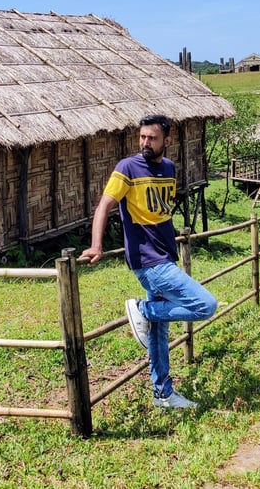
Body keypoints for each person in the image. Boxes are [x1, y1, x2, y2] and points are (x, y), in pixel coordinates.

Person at [80, 114, 217, 409]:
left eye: (152, 138)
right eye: (142, 137)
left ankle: (162, 393)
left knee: (159, 328)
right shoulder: (127, 168)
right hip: (149, 262)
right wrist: (96, 244)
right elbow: (105, 204)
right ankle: (141, 309)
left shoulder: (169, 168)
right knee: (205, 305)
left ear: (166, 141)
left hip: (166, 254)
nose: (145, 142)